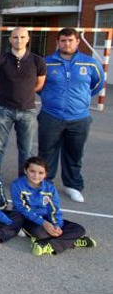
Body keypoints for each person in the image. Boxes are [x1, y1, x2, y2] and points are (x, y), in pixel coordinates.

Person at [38, 27, 104, 203]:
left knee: (74, 153)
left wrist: (82, 99)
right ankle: (45, 184)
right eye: (63, 41)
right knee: (47, 152)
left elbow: (98, 84)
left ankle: (73, 186)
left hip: (79, 117)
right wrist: (49, 98)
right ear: (57, 42)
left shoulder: (90, 63)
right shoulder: (46, 63)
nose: (66, 44)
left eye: (70, 40)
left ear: (77, 42)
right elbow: (39, 85)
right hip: (51, 115)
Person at [0, 27, 46, 174]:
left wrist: (24, 92)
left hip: (27, 111)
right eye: (15, 37)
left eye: (22, 37)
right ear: (10, 39)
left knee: (26, 150)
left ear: (27, 39)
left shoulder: (37, 61)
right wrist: (7, 91)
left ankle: (24, 180)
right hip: (3, 109)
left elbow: (39, 84)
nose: (18, 40)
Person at [11, 157, 96, 256]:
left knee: (79, 229)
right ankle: (71, 241)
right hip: (26, 219)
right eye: (32, 171)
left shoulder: (50, 189)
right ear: (26, 170)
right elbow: (22, 209)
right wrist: (44, 223)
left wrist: (57, 226)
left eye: (40, 173)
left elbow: (54, 210)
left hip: (47, 219)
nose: (36, 175)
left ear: (45, 174)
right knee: (40, 232)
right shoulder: (17, 185)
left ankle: (47, 245)